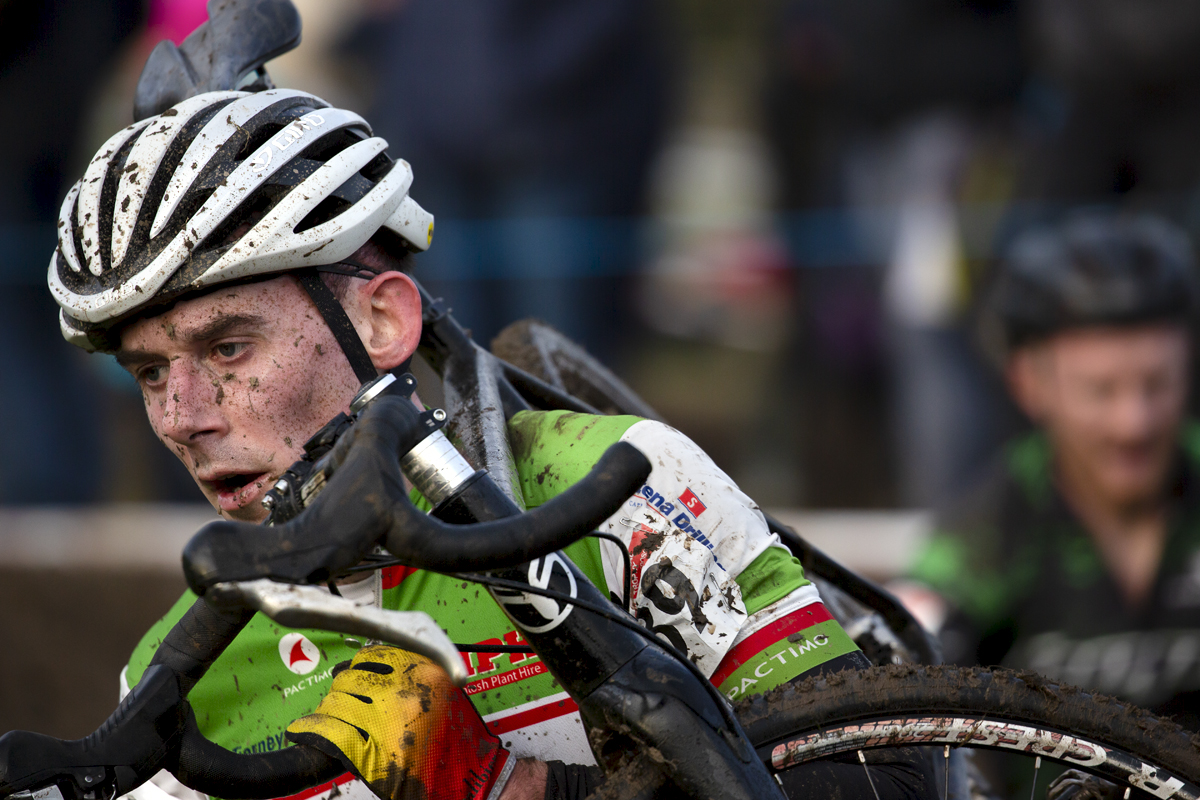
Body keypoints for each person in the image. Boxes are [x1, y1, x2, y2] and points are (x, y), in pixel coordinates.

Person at [48, 88, 933, 800]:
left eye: (228, 348)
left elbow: (885, 782)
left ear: (384, 319)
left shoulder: (611, 483)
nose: (181, 416)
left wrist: (529, 790)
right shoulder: (174, 679)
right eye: (151, 373)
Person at [902, 212, 1200, 732]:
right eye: (1100, 391)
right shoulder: (986, 532)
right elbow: (910, 691)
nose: (1134, 422)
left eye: (1158, 383)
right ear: (1029, 385)